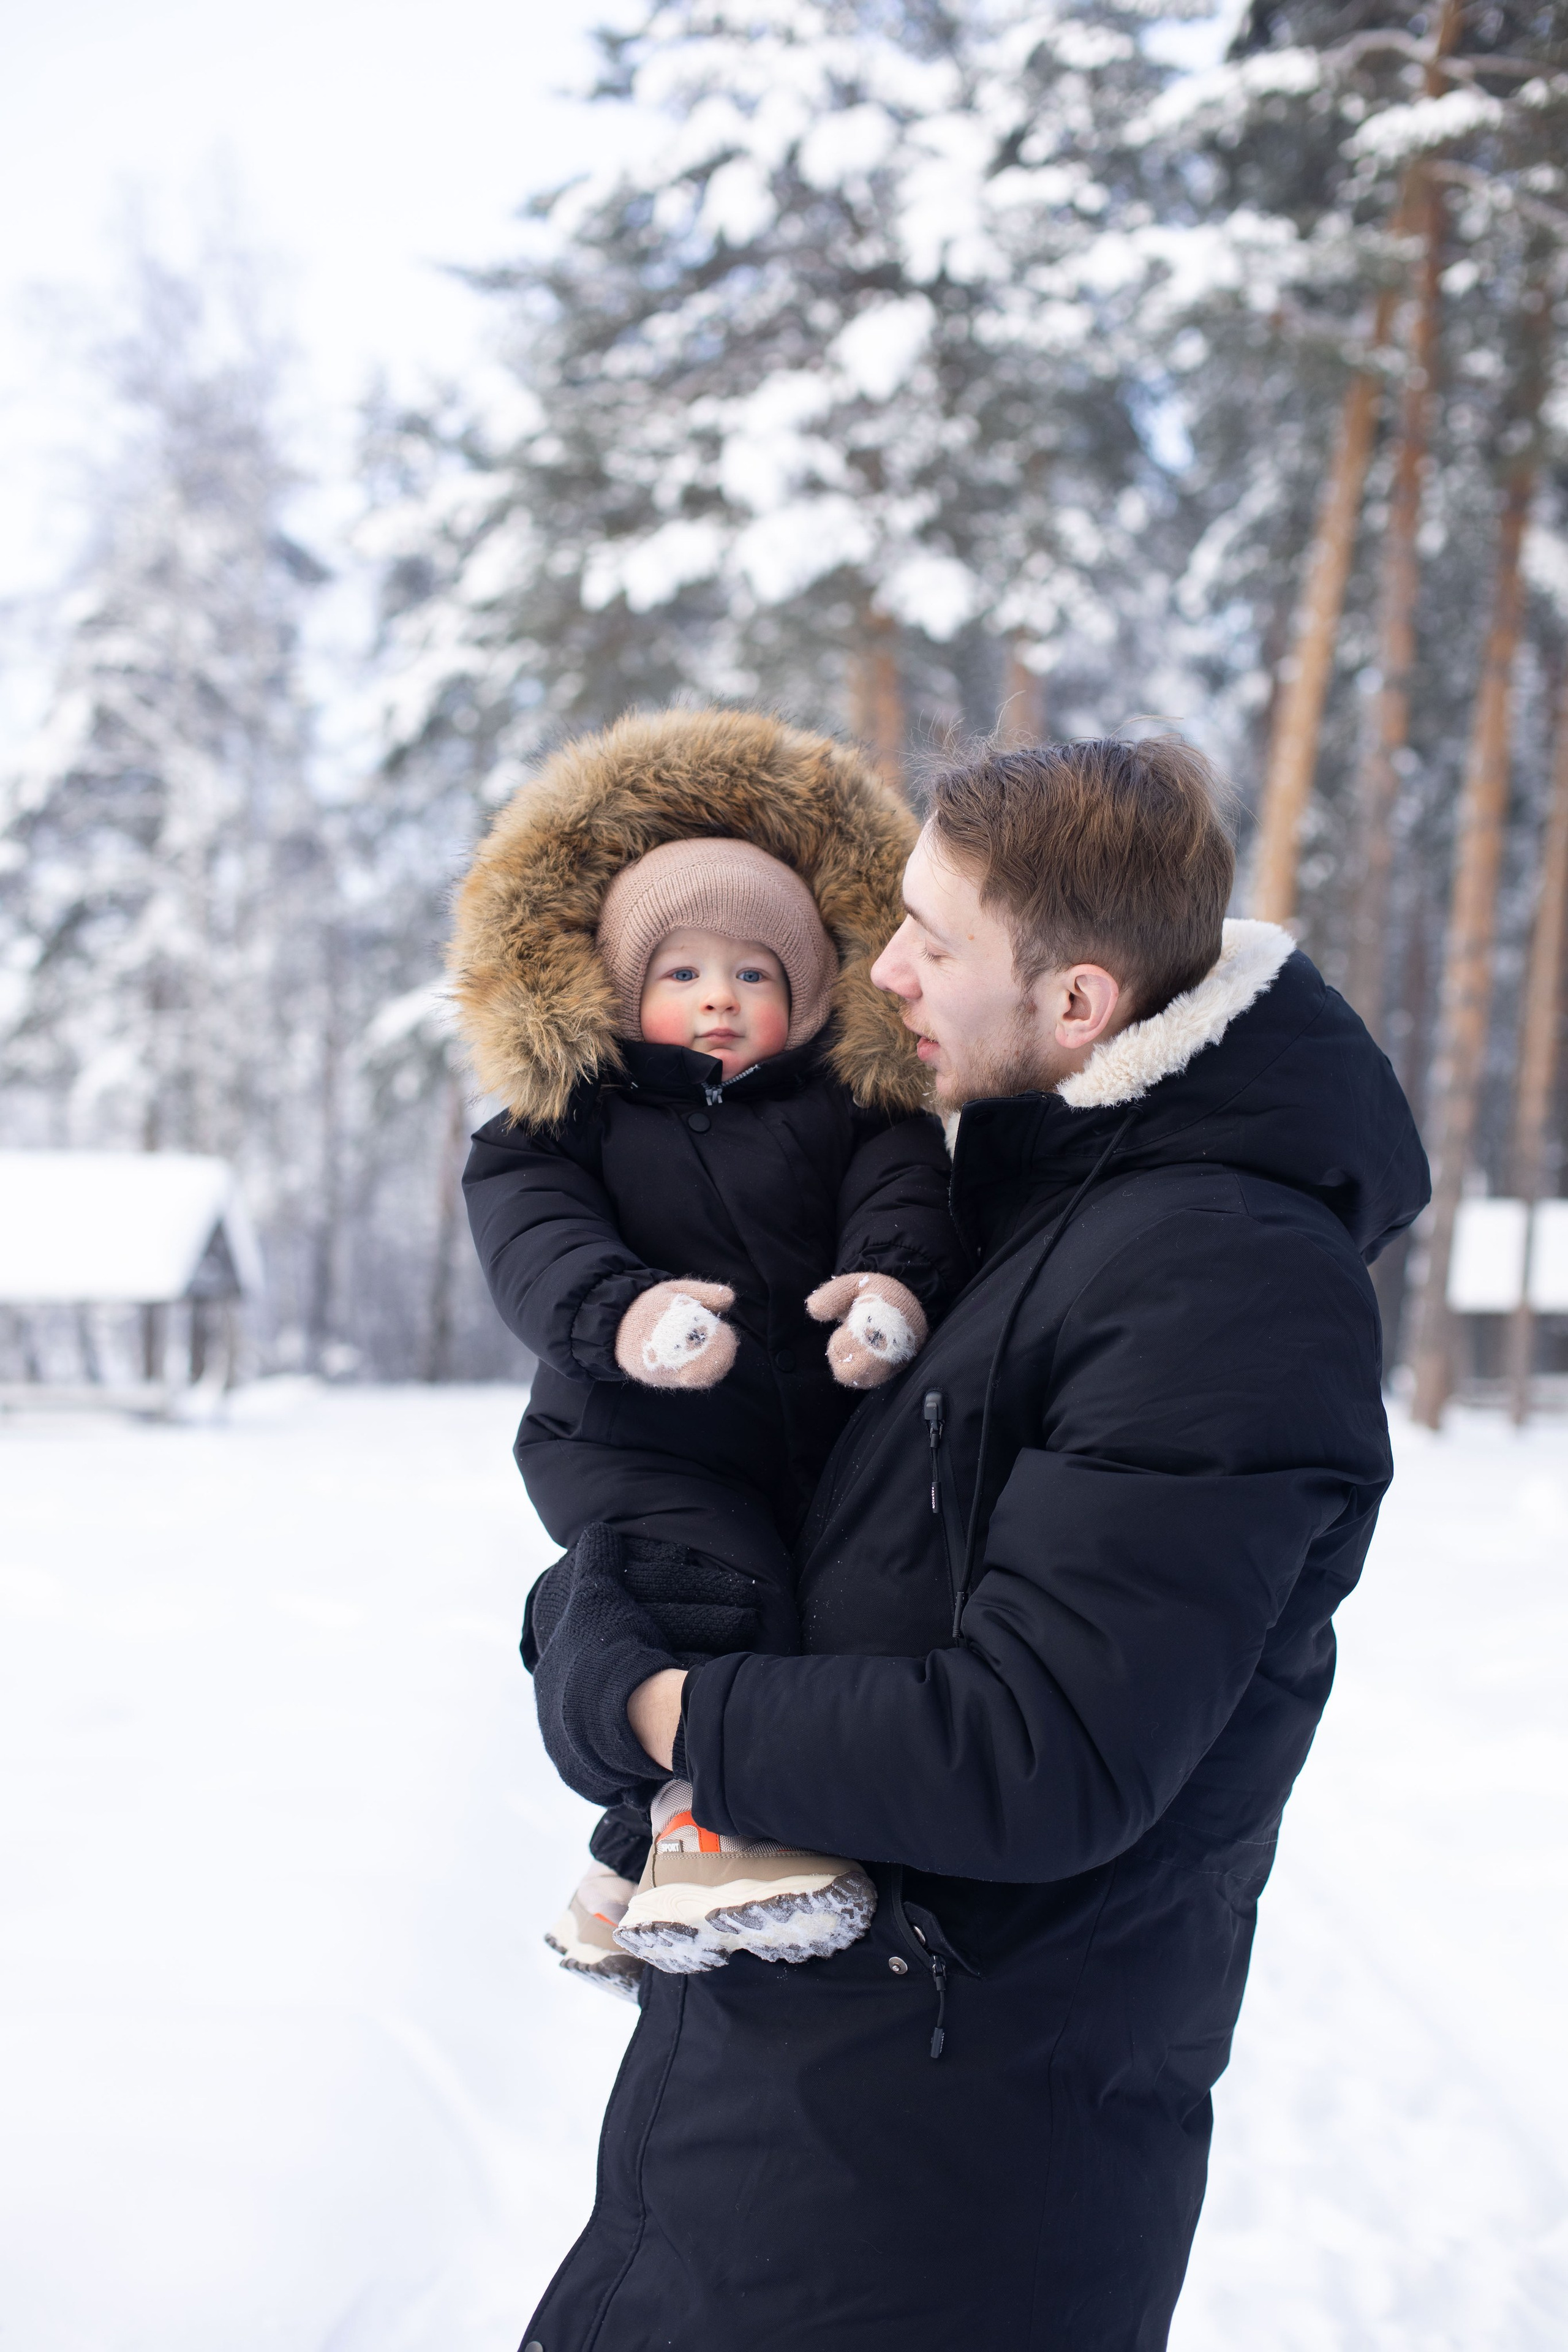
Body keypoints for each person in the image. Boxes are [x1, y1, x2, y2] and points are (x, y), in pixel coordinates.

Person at [518, 731, 1431, 2351]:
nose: (885, 969)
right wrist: (606, 1595)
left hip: (939, 2201)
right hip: (815, 2130)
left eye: (935, 937)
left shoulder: (1223, 1277)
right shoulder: (1036, 1222)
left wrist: (654, 1706)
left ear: (1079, 1004)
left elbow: (1038, 1748)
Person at [452, 707, 970, 1992]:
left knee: (826, 1617)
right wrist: (622, 1317)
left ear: (804, 999)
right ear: (625, 994)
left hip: (820, 1436)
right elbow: (534, 1238)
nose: (719, 1000)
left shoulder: (856, 1109)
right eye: (683, 974)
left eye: (754, 974)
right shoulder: (562, 1121)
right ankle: (718, 1837)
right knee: (706, 1592)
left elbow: (902, 1202)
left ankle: (625, 1871)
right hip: (634, 1436)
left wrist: (886, 1298)